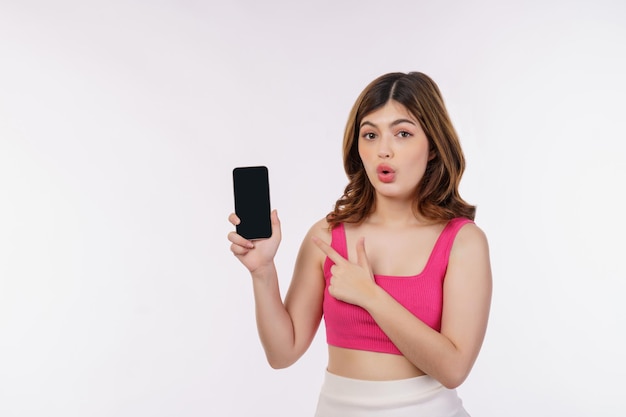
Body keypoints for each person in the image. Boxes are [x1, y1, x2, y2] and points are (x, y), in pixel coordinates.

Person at [227, 72, 492, 417]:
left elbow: (454, 369)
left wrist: (370, 295)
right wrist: (262, 271)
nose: (384, 150)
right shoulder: (326, 236)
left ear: (432, 148)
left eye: (403, 133)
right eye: (370, 134)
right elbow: (282, 353)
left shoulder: (463, 241)